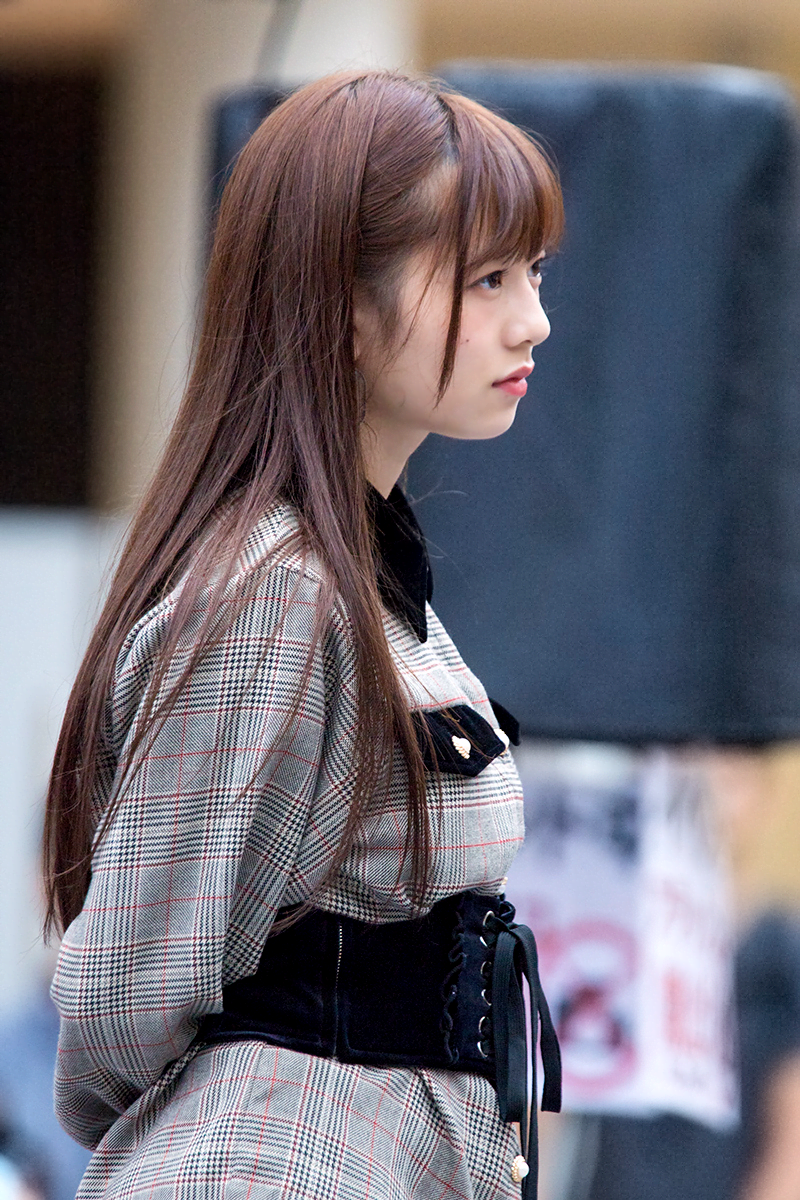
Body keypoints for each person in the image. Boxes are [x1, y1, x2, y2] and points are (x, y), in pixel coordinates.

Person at [42, 69, 563, 1200]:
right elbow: (125, 996)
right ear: (342, 303)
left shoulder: (360, 578)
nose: (531, 318)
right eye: (485, 277)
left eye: (533, 272)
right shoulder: (277, 590)